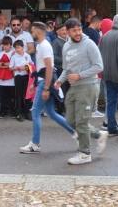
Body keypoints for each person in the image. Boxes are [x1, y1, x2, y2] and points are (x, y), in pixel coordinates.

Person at [55, 18, 107, 165]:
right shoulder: (66, 46)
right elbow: (66, 68)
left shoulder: (89, 44)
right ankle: (98, 134)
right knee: (70, 121)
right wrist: (59, 80)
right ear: (68, 31)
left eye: (79, 30)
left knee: (81, 122)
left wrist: (79, 75)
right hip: (74, 87)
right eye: (74, 31)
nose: (78, 33)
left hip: (88, 86)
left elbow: (99, 66)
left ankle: (85, 154)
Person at [20, 22, 76, 155]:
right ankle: (75, 133)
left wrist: (45, 88)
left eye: (32, 31)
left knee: (35, 112)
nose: (31, 34)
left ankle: (35, 144)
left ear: (38, 31)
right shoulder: (41, 45)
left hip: (45, 82)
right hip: (45, 81)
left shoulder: (44, 46)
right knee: (51, 113)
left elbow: (49, 67)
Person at [9, 39, 31, 121]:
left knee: (26, 95)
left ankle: (27, 112)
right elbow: (10, 68)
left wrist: (25, 67)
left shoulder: (27, 56)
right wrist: (17, 68)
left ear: (23, 47)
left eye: (19, 47)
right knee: (18, 95)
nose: (17, 49)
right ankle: (18, 113)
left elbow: (31, 65)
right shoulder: (14, 57)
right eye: (16, 48)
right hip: (18, 76)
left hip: (26, 76)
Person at [0, 36, 15, 117]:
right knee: (2, 97)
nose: (5, 46)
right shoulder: (0, 53)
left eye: (7, 45)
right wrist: (7, 64)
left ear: (11, 45)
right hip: (1, 79)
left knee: (12, 97)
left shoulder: (14, 53)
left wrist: (2, 64)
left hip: (11, 79)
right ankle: (3, 111)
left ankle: (13, 111)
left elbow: (13, 65)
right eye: (4, 45)